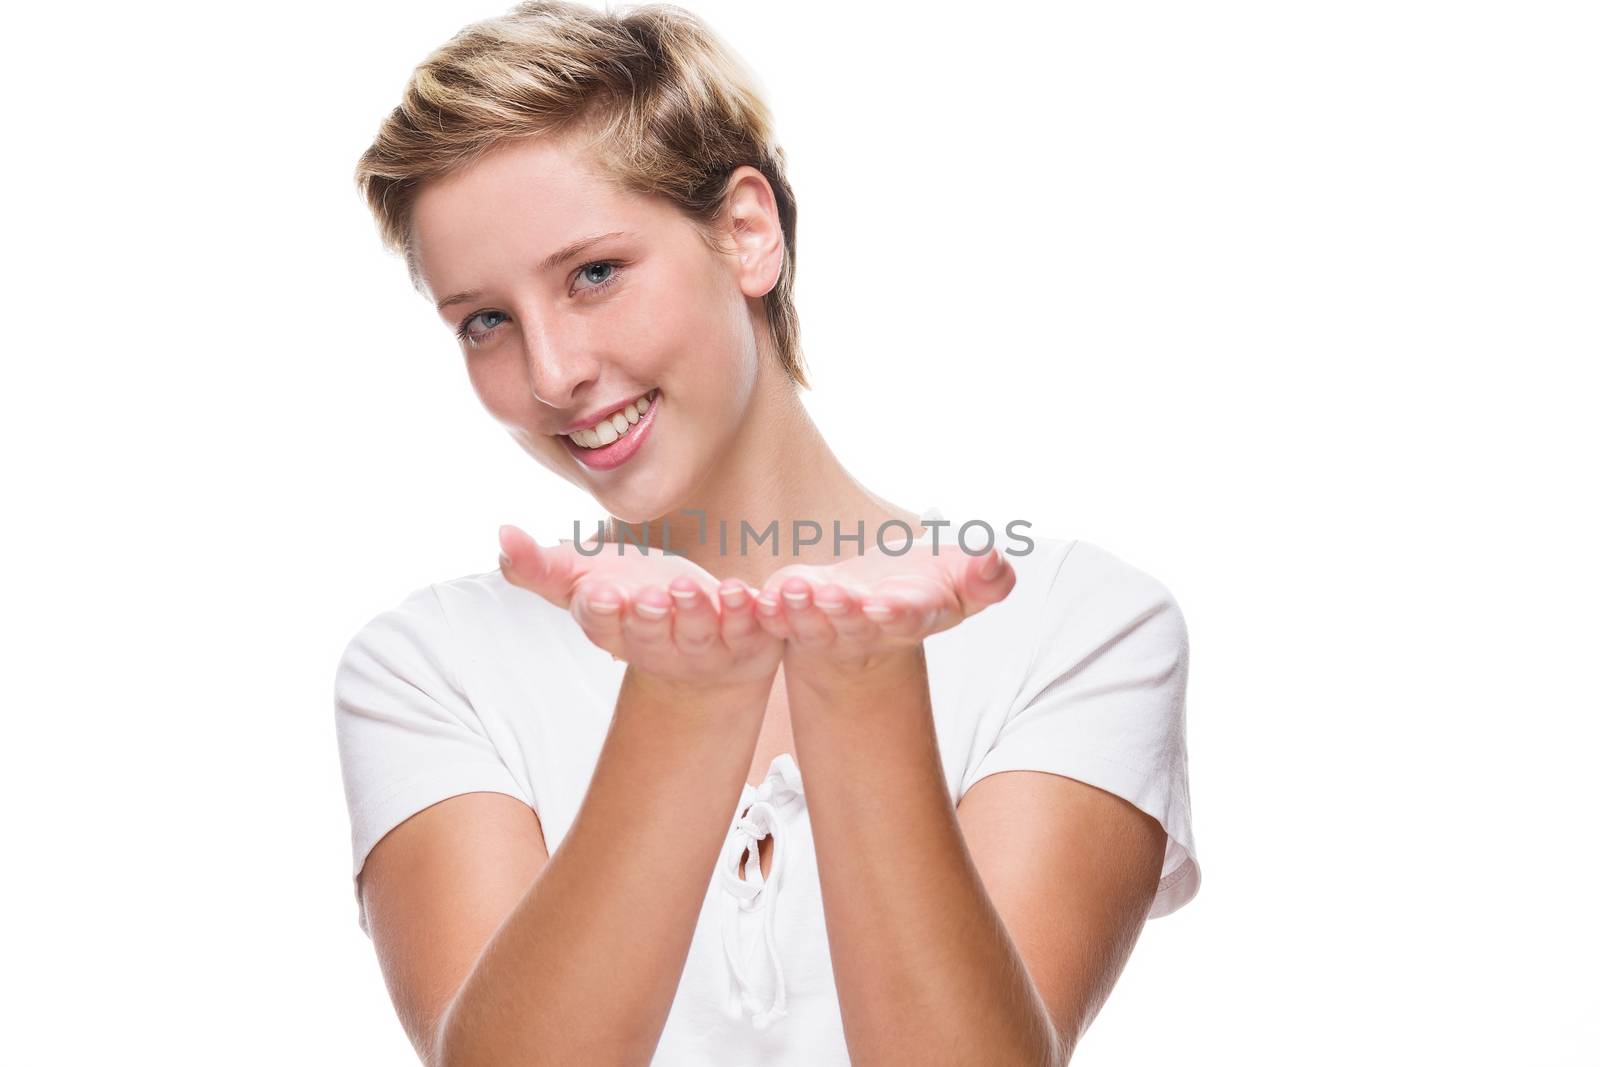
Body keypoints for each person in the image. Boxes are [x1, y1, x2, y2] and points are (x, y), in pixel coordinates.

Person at [334, 3, 1201, 1064]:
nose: (552, 372)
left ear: (748, 233)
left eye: (594, 273)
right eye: (485, 320)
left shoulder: (1077, 626)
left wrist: (865, 681)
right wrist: (685, 698)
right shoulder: (430, 668)